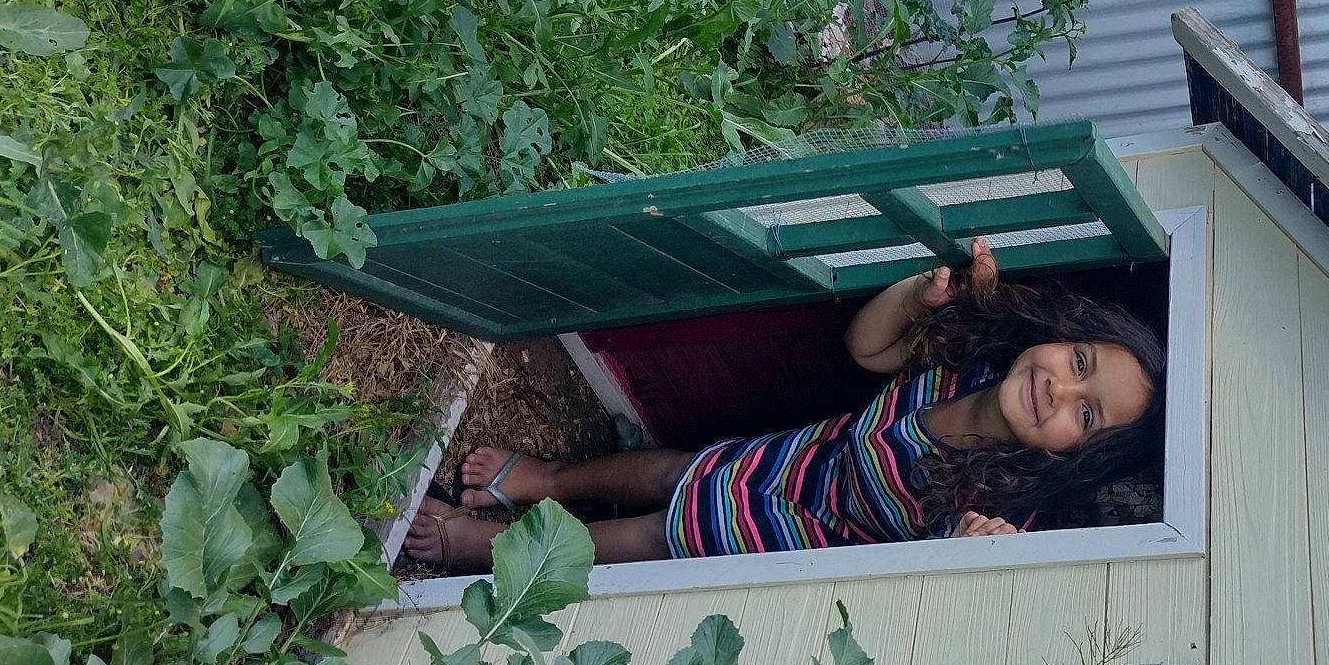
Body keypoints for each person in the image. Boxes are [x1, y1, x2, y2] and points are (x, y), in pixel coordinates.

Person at [405, 239, 1165, 570]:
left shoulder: (995, 502)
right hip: (797, 460)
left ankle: (488, 550)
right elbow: (869, 349)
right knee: (676, 469)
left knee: (651, 536)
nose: (1060, 390)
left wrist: (974, 548)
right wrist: (917, 296)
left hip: (792, 532)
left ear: (1074, 455)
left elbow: (942, 566)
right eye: (1078, 362)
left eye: (1086, 414)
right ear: (1062, 336)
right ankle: (544, 480)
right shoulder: (976, 360)